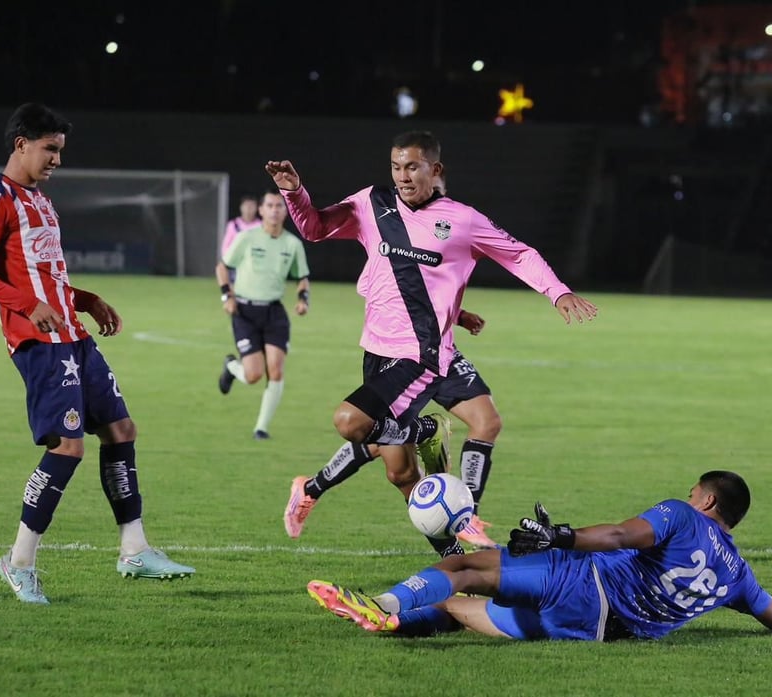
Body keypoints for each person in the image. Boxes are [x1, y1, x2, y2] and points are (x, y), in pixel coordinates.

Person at [268, 130, 597, 558]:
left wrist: (557, 291)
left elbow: (519, 253)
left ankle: (465, 516)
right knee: (401, 473)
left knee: (367, 421)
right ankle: (452, 551)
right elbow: (315, 228)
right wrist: (294, 193)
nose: (402, 176)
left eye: (412, 167)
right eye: (396, 166)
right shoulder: (372, 203)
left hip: (426, 355)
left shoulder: (461, 220)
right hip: (378, 353)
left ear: (435, 170)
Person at [0, 102, 195, 604]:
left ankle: (134, 548)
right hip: (38, 344)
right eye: (50, 149)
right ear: (21, 143)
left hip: (72, 334)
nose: (57, 161)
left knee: (120, 429)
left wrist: (86, 301)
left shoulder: (42, 202)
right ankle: (18, 561)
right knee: (67, 446)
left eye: (60, 151)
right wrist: (27, 305)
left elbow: (49, 275)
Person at [306, 470, 772, 642]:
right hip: (592, 630)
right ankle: (391, 623)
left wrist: (559, 537)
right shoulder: (738, 575)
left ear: (708, 500)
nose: (689, 496)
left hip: (582, 585)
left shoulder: (683, 516)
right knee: (457, 606)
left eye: (695, 492)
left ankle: (381, 602)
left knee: (463, 569)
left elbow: (620, 537)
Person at [283, 307, 502, 550]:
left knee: (487, 422)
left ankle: (469, 514)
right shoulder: (383, 268)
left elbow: (435, 285)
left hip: (439, 350)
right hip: (395, 356)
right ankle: (456, 560)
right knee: (403, 473)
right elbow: (393, 290)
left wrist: (457, 316)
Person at [216, 187, 311, 440]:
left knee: (276, 370)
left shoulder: (292, 244)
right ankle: (231, 366)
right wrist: (227, 295)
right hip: (244, 311)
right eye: (269, 205)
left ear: (286, 211)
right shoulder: (247, 238)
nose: (274, 210)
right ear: (261, 210)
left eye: (279, 206)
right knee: (253, 375)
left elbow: (302, 278)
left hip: (274, 313)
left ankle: (261, 428)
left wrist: (303, 300)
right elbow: (222, 267)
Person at [218, 193, 261, 282]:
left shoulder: (261, 225)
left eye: (252, 206)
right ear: (241, 207)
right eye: (246, 206)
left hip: (253, 265)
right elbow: (226, 245)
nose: (249, 209)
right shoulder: (234, 224)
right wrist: (228, 260)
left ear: (257, 208)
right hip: (236, 264)